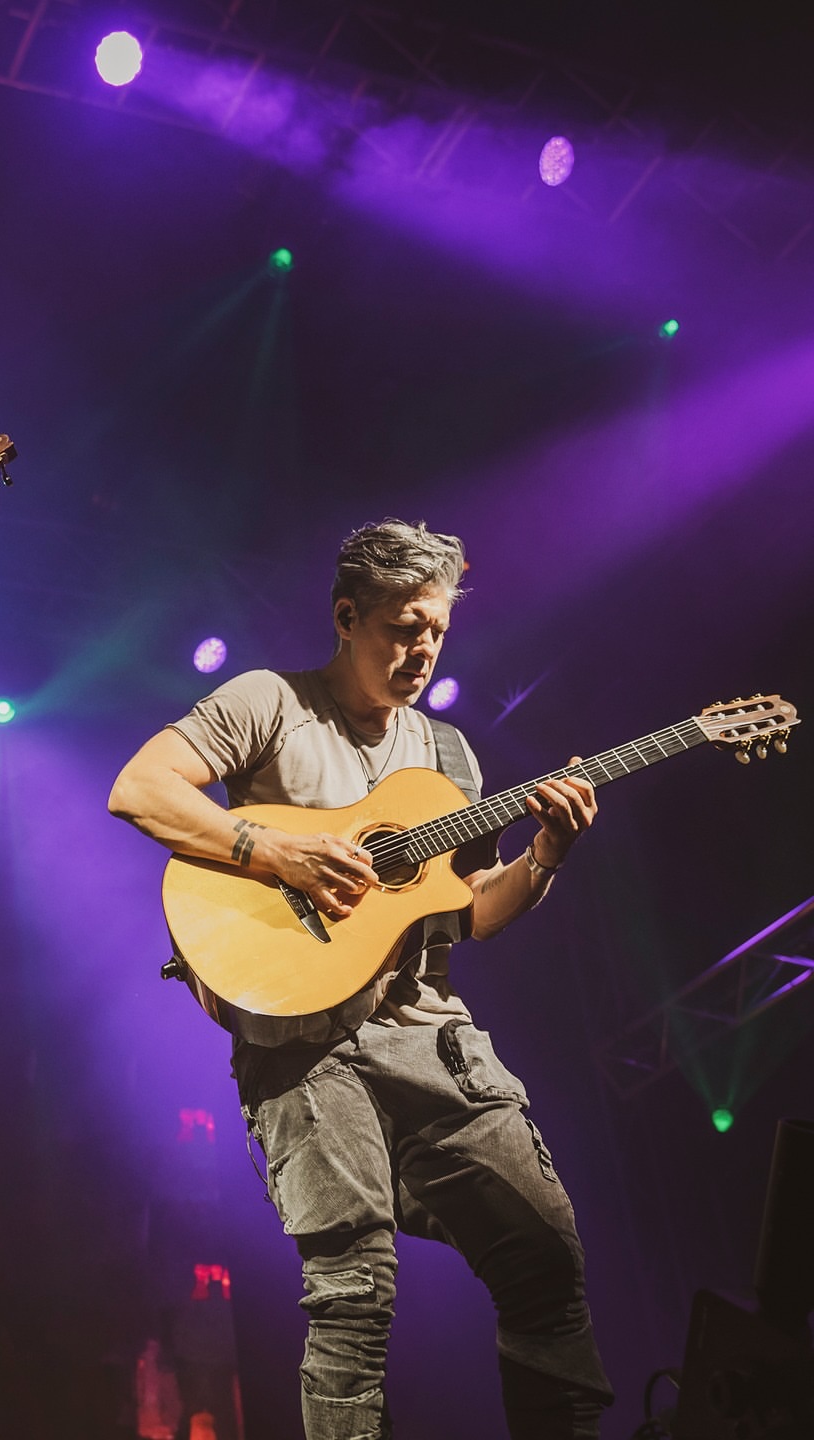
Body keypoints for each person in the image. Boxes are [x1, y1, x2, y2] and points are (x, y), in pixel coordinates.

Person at [107, 520, 613, 1439]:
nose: (421, 649)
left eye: (436, 631)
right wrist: (278, 852)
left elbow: (468, 912)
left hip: (426, 1031)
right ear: (347, 617)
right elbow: (142, 789)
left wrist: (547, 852)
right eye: (402, 627)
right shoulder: (270, 700)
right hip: (300, 1042)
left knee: (547, 1260)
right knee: (352, 1293)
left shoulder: (451, 758)